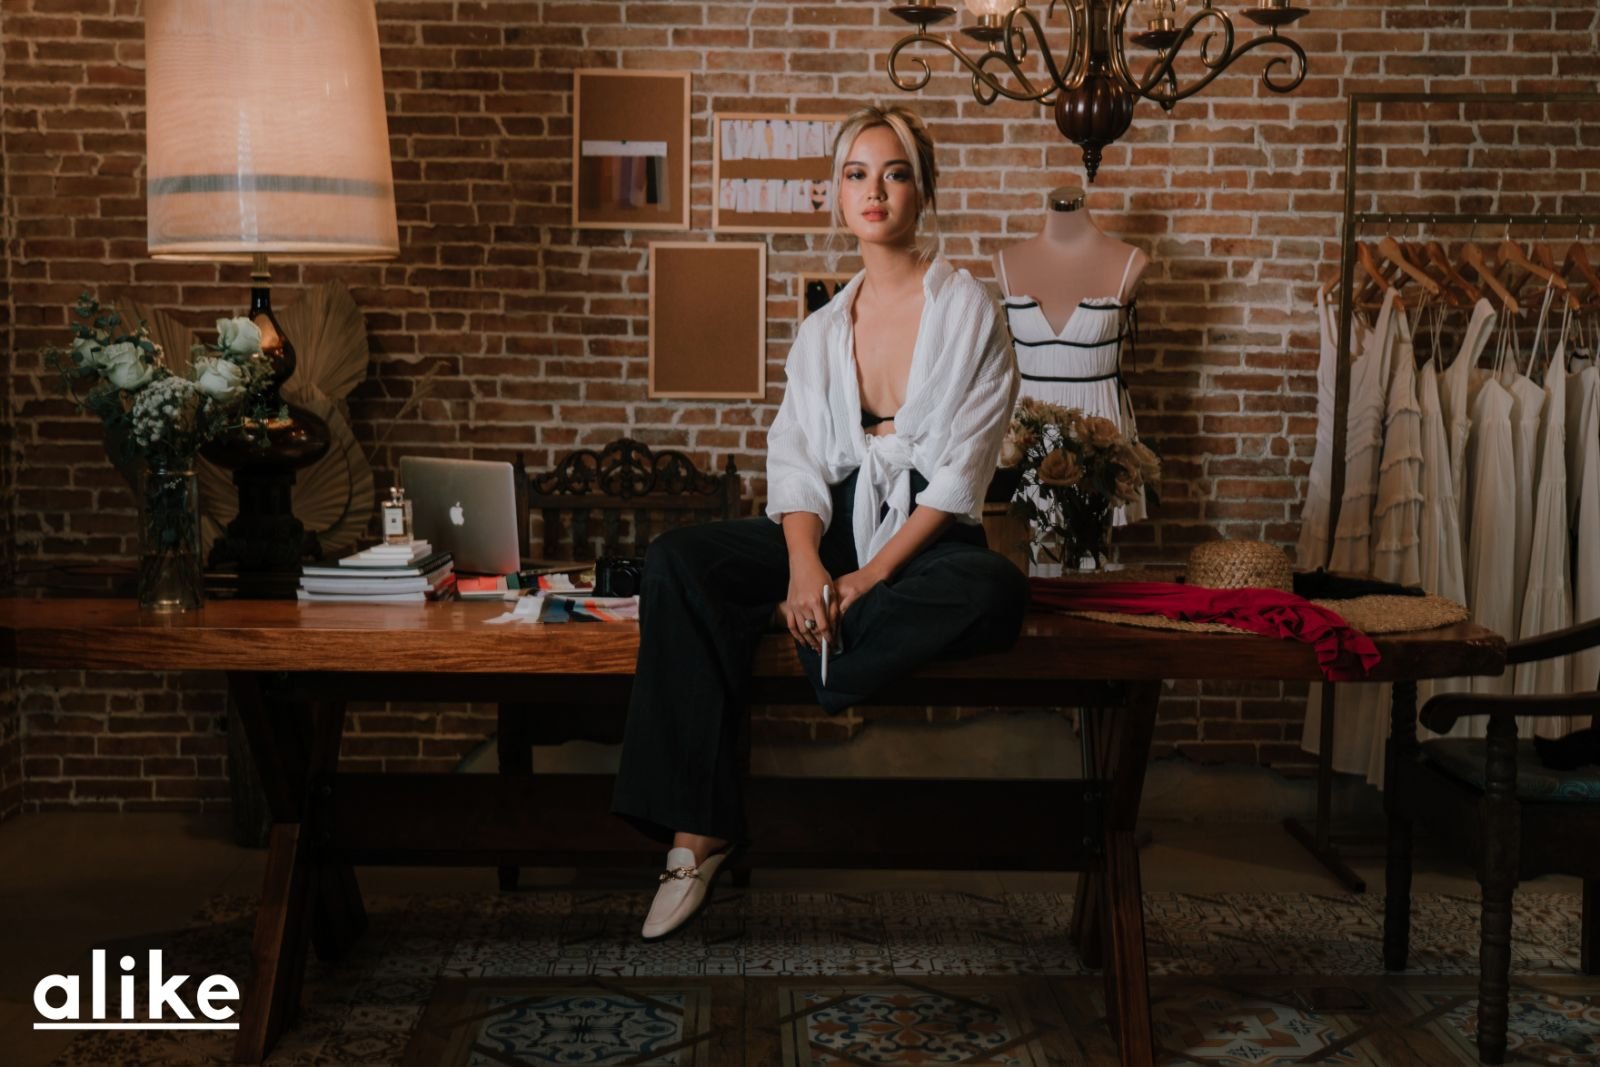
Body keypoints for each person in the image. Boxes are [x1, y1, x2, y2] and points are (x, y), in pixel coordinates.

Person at [610, 104, 1029, 941]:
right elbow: (797, 460)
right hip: (830, 528)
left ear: (923, 191)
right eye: (856, 174)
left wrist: (866, 578)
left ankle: (791, 629)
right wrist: (806, 567)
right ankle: (698, 833)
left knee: (995, 590)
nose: (875, 191)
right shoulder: (821, 329)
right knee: (680, 561)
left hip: (926, 537)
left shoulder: (968, 308)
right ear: (836, 194)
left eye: (895, 173)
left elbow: (960, 475)